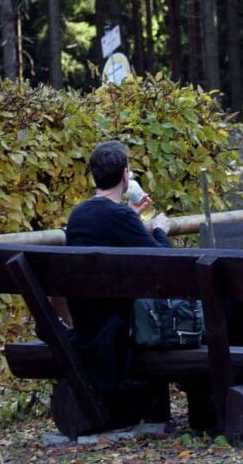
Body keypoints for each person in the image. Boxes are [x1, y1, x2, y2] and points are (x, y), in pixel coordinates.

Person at [64, 139, 171, 392]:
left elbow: (107, 226)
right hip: (119, 330)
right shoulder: (119, 216)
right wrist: (160, 230)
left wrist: (131, 217)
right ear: (125, 175)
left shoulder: (78, 214)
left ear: (94, 176)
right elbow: (165, 264)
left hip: (88, 325)